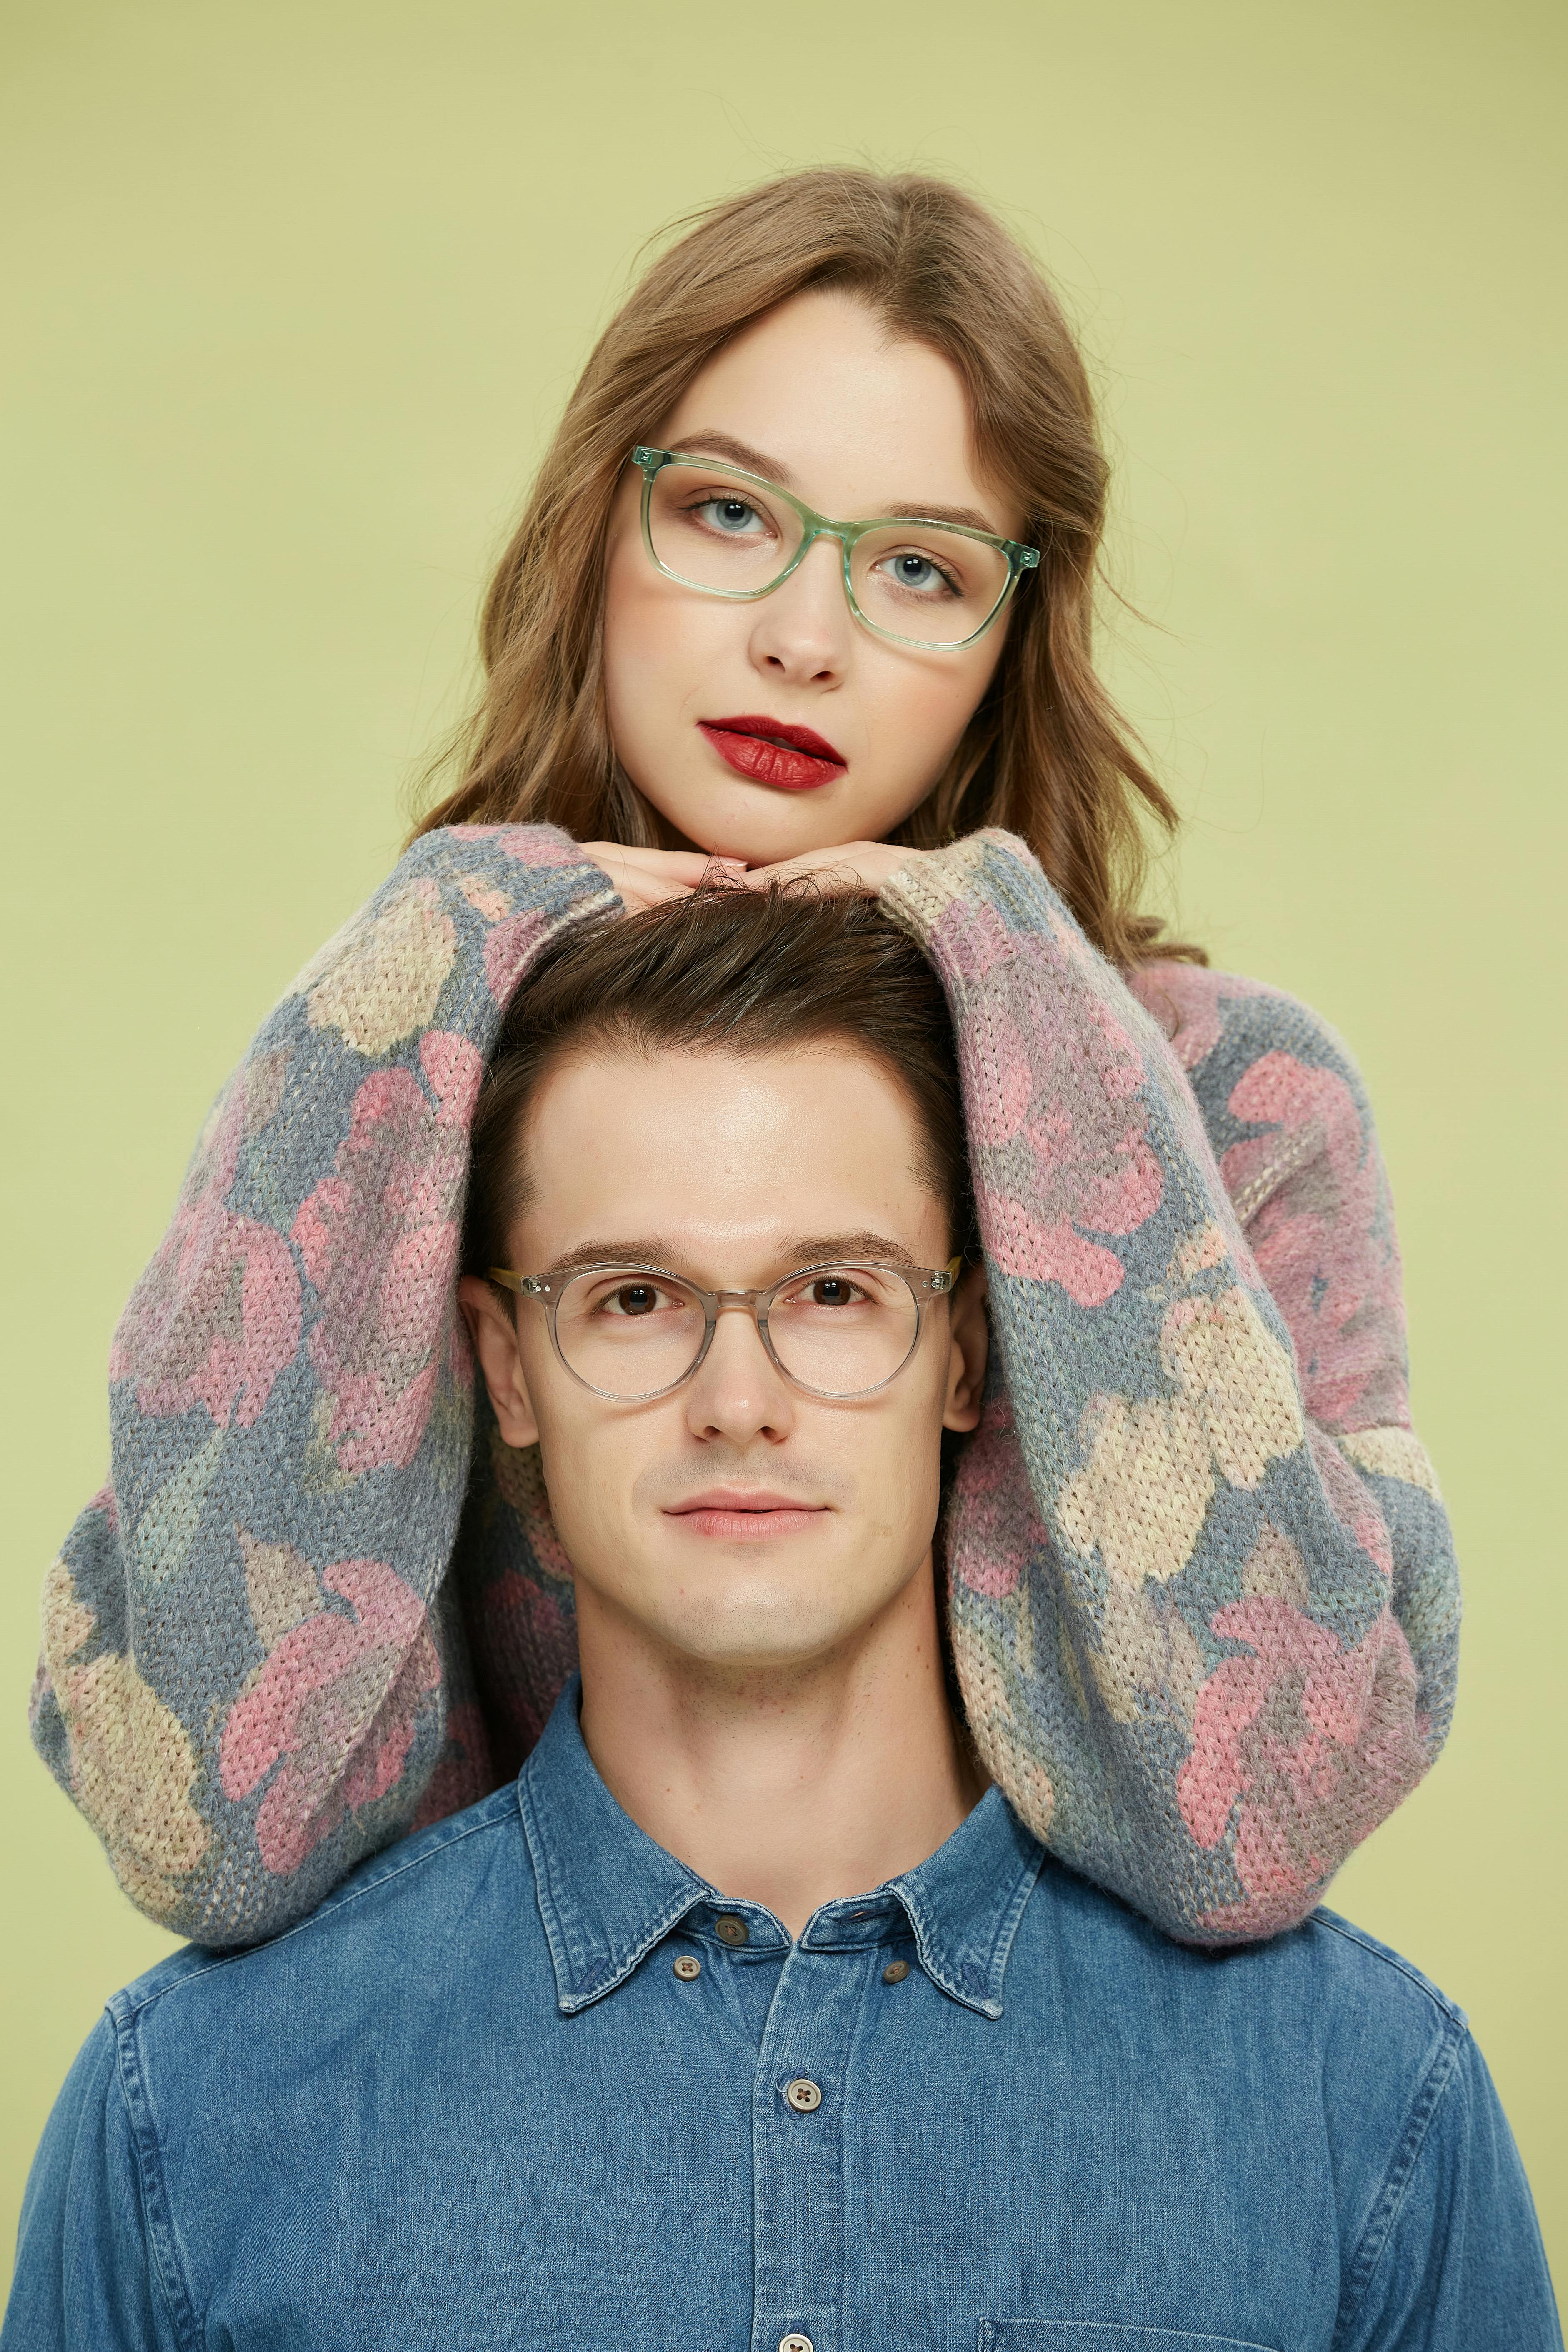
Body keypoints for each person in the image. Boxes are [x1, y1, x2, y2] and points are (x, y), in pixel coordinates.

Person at [30, 169, 1458, 1950]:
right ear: (597, 526)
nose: (801, 637)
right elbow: (204, 1829)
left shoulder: (1226, 1103)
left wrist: (1007, 958)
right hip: (518, 2098)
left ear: (1011, 640)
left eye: (920, 568)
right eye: (724, 513)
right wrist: (437, 933)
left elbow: (1271, 1811)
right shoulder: (405, 1069)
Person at [7, 888, 1555, 2350]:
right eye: (633, 1298)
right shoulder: (190, 2115)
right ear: (506, 1368)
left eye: (833, 1292)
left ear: (966, 1353)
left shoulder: (1362, 2099)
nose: (736, 1401)